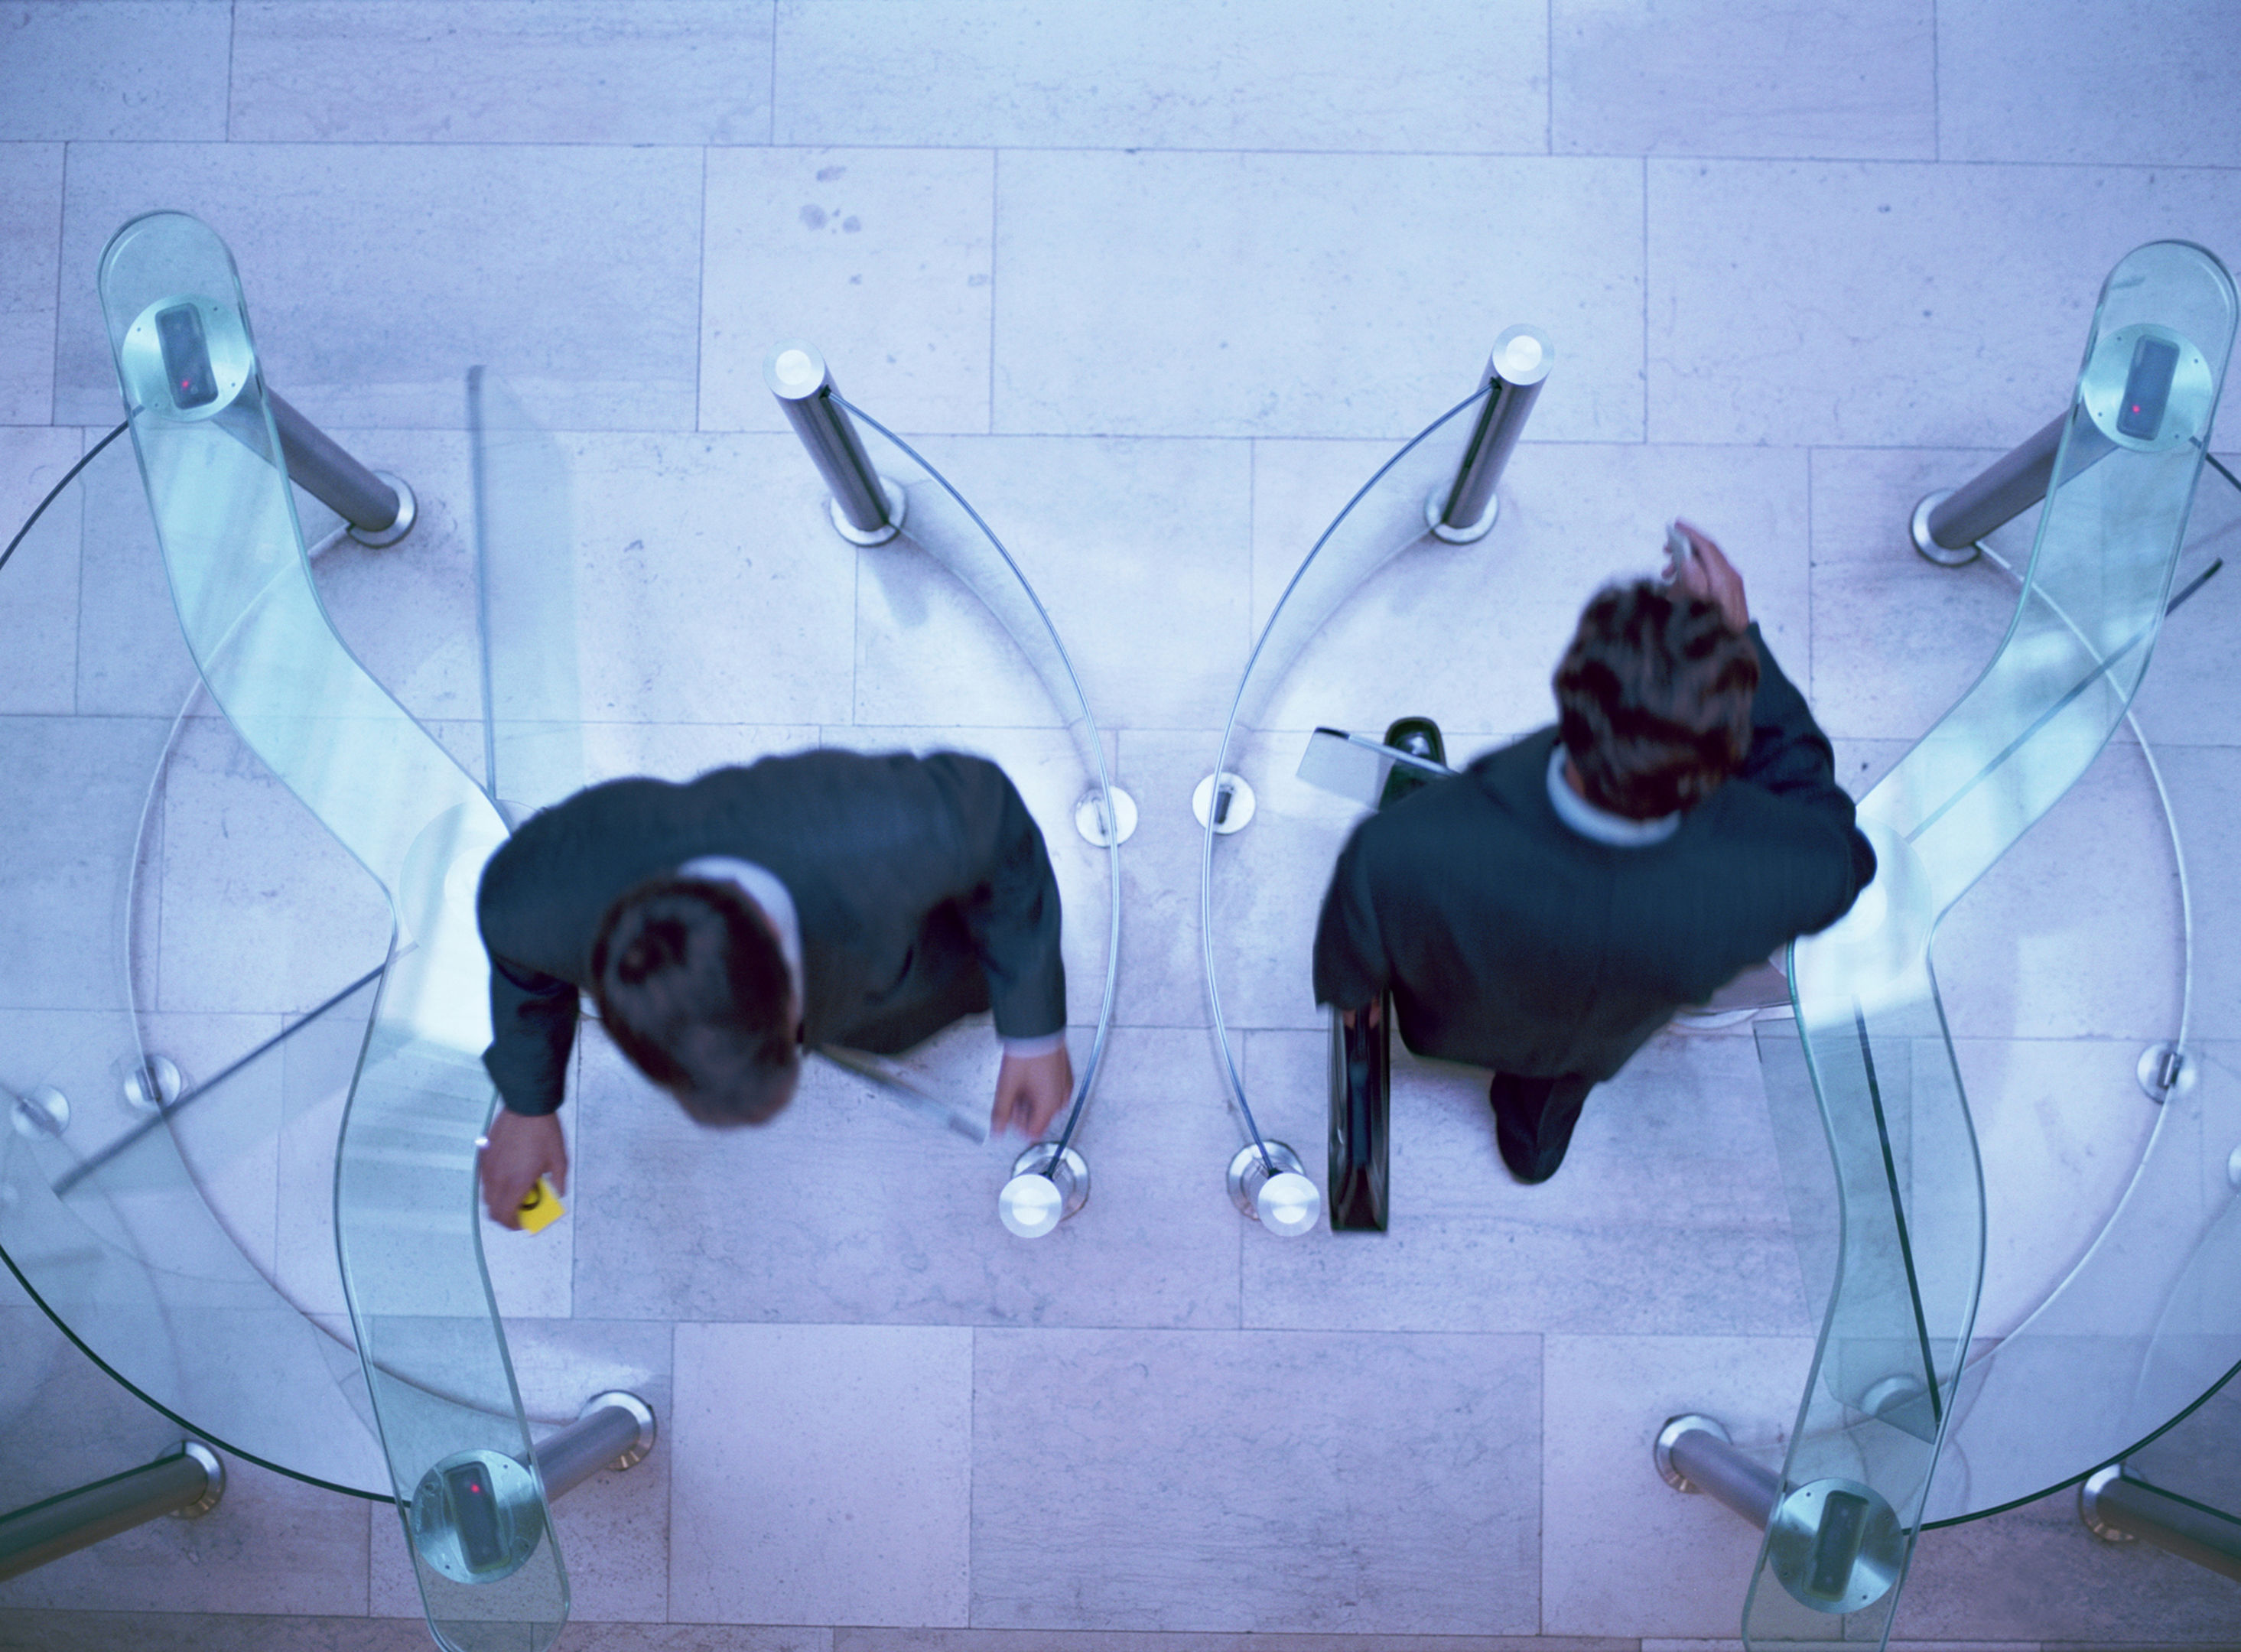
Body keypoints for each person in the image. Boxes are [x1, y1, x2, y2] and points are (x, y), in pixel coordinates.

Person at [1312, 522, 1875, 1185]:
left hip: (1461, 1022)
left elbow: (1352, 982)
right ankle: (1533, 1147)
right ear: (1727, 755)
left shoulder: (1403, 851)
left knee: (1421, 829)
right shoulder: (1768, 873)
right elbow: (1836, 838)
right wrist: (1739, 645)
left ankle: (1415, 783)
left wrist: (1359, 1135)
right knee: (1559, 1077)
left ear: (1572, 693)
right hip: (1600, 1033)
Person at [473, 748, 1072, 1228]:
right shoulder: (534, 905)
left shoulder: (893, 834)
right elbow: (520, 959)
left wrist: (1034, 1031)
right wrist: (529, 1101)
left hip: (937, 962)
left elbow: (997, 824)